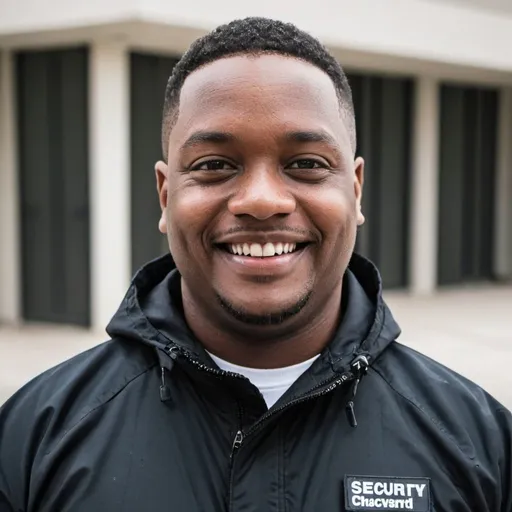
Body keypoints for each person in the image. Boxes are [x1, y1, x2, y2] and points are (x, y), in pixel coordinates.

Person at [0, 16, 510, 512]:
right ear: (165, 194)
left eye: (306, 164)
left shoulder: (480, 444)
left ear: (354, 190)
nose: (262, 200)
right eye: (214, 165)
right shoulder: (32, 436)